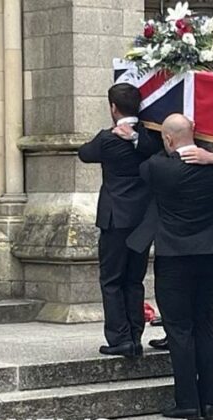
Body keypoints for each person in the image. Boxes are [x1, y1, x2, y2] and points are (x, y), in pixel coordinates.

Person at [134, 114, 213, 420]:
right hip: (210, 254)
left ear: (168, 139)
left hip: (175, 256)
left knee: (179, 330)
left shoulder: (158, 168)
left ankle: (187, 401)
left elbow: (144, 164)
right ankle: (208, 400)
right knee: (206, 325)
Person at [77, 84, 162, 358]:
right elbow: (152, 149)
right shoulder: (150, 138)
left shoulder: (107, 139)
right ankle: (135, 336)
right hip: (141, 220)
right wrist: (136, 137)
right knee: (134, 279)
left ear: (113, 107)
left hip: (115, 218)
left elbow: (84, 153)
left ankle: (119, 338)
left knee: (112, 279)